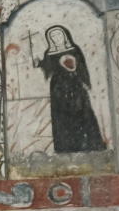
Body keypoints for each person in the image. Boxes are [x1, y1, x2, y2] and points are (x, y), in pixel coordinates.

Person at [34, 25, 106, 153]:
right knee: (62, 117)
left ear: (64, 35)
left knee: (82, 113)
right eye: (53, 36)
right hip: (58, 89)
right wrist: (39, 63)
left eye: (58, 35)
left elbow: (82, 65)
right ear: (50, 39)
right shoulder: (49, 53)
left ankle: (90, 145)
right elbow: (48, 69)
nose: (56, 38)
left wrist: (85, 81)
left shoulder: (74, 49)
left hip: (75, 85)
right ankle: (66, 148)